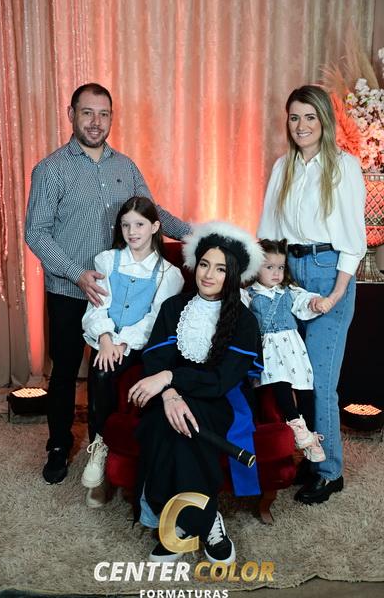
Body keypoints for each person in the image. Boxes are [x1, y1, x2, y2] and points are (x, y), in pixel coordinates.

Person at [25, 83, 190, 485]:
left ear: (112, 118)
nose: (96, 122)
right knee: (65, 370)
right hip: (69, 289)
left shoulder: (126, 167)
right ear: (71, 115)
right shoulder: (50, 169)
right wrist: (76, 273)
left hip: (122, 292)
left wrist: (199, 235)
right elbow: (36, 232)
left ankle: (108, 443)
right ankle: (59, 445)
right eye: (87, 113)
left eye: (103, 114)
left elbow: (152, 213)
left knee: (112, 367)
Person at [127, 221, 264, 564]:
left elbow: (221, 381)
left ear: (232, 275)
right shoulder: (174, 307)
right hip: (171, 392)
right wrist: (169, 394)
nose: (208, 275)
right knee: (164, 423)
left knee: (188, 426)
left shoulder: (244, 321)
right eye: (204, 264)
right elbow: (156, 358)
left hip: (219, 398)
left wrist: (169, 378)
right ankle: (204, 518)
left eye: (220, 269)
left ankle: (185, 525)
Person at [258, 85, 366, 504]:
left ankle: (329, 471)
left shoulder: (344, 167)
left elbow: (354, 241)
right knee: (293, 374)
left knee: (321, 379)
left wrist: (337, 294)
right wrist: (266, 281)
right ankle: (308, 453)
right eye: (294, 117)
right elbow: (269, 232)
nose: (301, 125)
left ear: (324, 121)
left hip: (328, 271)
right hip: (288, 272)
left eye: (309, 117)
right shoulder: (282, 166)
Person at [81, 196, 184, 507]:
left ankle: (107, 447)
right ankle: (99, 448)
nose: (132, 231)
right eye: (126, 225)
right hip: (106, 340)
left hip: (139, 343)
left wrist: (123, 343)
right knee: (102, 370)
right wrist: (106, 338)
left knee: (110, 368)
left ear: (154, 227)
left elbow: (154, 320)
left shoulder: (168, 273)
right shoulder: (107, 261)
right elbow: (98, 305)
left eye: (139, 224)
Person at [247, 238, 334, 463]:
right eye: (269, 267)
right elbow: (235, 311)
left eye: (280, 267)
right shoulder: (248, 294)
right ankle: (296, 425)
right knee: (280, 381)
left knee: (305, 388)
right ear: (255, 267)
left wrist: (315, 301)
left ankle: (310, 436)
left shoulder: (288, 291)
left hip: (292, 348)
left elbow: (303, 299)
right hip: (268, 350)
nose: (276, 273)